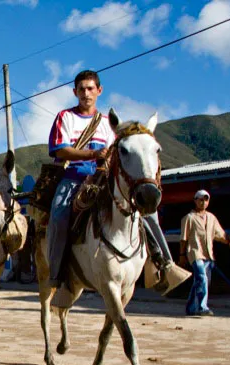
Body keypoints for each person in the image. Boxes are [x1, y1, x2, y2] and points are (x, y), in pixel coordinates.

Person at [46, 70, 181, 292]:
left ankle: (165, 265)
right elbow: (60, 151)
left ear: (99, 91)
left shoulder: (110, 124)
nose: (86, 93)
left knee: (148, 213)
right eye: (81, 89)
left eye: (90, 88)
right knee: (59, 214)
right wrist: (93, 155)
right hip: (74, 177)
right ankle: (57, 273)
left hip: (105, 178)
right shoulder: (65, 117)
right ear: (74, 92)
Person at [179, 190, 230, 316]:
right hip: (194, 252)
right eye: (200, 199)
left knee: (199, 281)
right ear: (195, 201)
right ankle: (202, 307)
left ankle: (190, 308)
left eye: (206, 200)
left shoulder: (211, 218)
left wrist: (229, 243)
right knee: (202, 277)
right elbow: (183, 239)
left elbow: (220, 234)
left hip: (208, 254)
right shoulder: (189, 218)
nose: (203, 202)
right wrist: (182, 255)